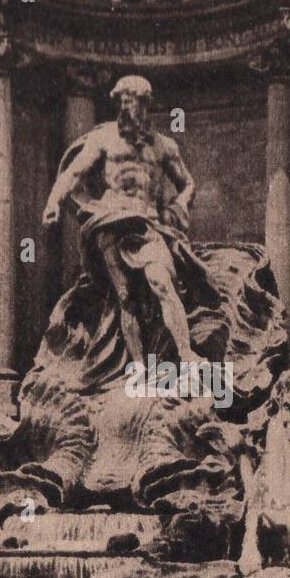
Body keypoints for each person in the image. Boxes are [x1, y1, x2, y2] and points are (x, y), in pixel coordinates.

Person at [42, 75, 214, 368]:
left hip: (149, 224)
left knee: (162, 281)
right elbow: (73, 173)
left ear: (146, 105)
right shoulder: (103, 139)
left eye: (131, 103)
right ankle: (139, 368)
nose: (125, 110)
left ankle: (186, 354)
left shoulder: (164, 146)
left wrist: (179, 206)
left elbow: (188, 184)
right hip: (111, 220)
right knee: (126, 298)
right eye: (121, 104)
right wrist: (53, 202)